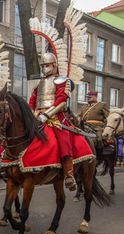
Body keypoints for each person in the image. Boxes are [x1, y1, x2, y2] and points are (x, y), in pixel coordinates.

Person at [28, 52, 77, 191]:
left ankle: (69, 174)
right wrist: (33, 113)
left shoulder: (62, 81)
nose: (44, 68)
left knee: (63, 139)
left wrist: (47, 115)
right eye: (42, 65)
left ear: (54, 65)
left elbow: (61, 101)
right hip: (38, 115)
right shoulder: (39, 83)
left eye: (47, 65)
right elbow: (32, 100)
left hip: (55, 116)